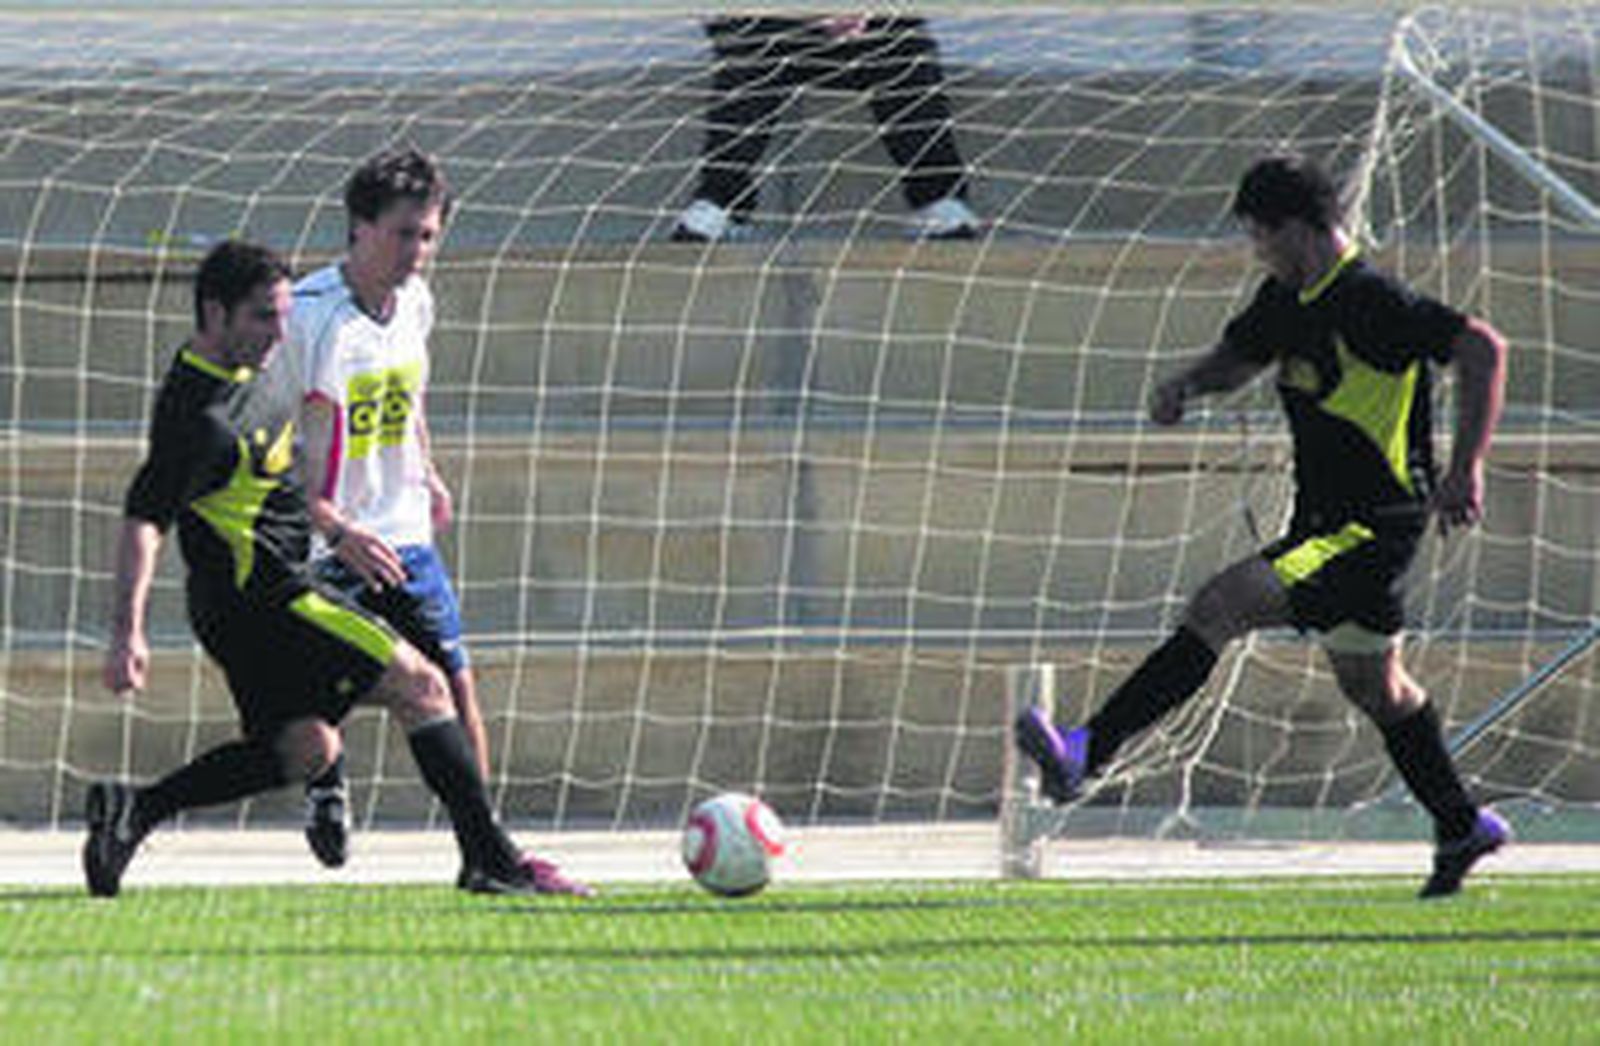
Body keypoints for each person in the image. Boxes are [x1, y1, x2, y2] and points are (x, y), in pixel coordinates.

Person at [1015, 154, 1511, 899]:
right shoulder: (1288, 296)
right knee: (1377, 689)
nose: (1258, 250)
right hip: (1330, 526)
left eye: (1261, 236)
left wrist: (1466, 468)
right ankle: (1461, 823)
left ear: (1301, 230)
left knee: (1220, 605)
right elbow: (1238, 357)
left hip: (1370, 527)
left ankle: (1086, 751)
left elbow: (1483, 347)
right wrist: (1187, 383)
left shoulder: (1370, 300)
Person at [90, 239, 590, 898]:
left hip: (250, 604)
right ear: (214, 313)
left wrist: (338, 524)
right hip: (272, 599)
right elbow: (145, 517)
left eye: (284, 315)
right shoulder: (200, 415)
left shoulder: (255, 368)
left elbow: (280, 478)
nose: (279, 334)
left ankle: (134, 811)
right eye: (263, 318)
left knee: (306, 748)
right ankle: (491, 859)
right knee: (425, 687)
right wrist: (128, 632)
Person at [274, 147, 490, 872]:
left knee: (454, 679)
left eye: (429, 236)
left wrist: (427, 471)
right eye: (405, 234)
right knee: (317, 700)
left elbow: (411, 395)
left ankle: (485, 851)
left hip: (401, 528)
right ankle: (325, 785)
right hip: (323, 542)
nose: (418, 252)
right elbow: (267, 438)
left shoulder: (417, 302)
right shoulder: (305, 318)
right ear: (359, 227)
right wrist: (330, 524)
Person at [671, 14, 979, 243]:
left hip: (866, 27)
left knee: (907, 50)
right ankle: (721, 205)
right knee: (744, 49)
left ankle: (938, 200)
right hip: (770, 26)